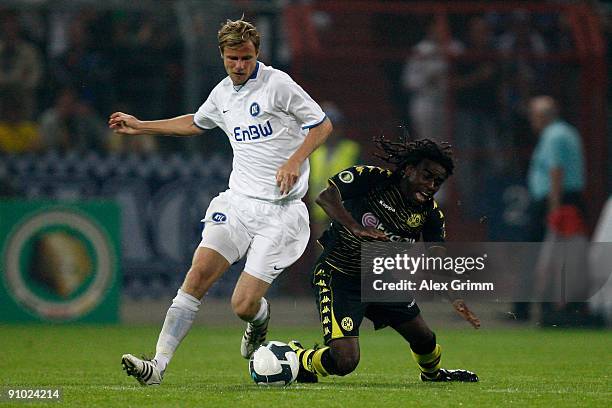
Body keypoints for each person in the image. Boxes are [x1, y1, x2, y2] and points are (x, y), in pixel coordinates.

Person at [109, 18, 332, 386]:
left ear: (257, 53)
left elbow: (321, 125)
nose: (239, 66)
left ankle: (258, 320)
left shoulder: (278, 85)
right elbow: (198, 122)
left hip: (280, 214)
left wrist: (294, 160)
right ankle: (157, 366)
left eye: (246, 58)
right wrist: (142, 125)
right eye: (232, 58)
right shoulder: (222, 93)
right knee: (196, 276)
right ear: (222, 56)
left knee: (242, 305)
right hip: (238, 204)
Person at [288, 138, 479, 383]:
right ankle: (298, 356)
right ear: (409, 169)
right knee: (345, 360)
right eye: (426, 176)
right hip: (338, 275)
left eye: (437, 182)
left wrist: (456, 297)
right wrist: (355, 227)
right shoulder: (372, 179)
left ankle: (433, 375)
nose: (431, 185)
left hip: (379, 280)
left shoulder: (430, 215)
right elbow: (326, 197)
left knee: (425, 338)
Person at [511, 95, 586, 323]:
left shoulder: (553, 136)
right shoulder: (567, 132)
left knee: (539, 254)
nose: (531, 121)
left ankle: (527, 309)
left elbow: (556, 171)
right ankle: (562, 306)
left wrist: (553, 209)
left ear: (542, 116)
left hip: (554, 201)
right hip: (567, 199)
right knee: (566, 255)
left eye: (533, 116)